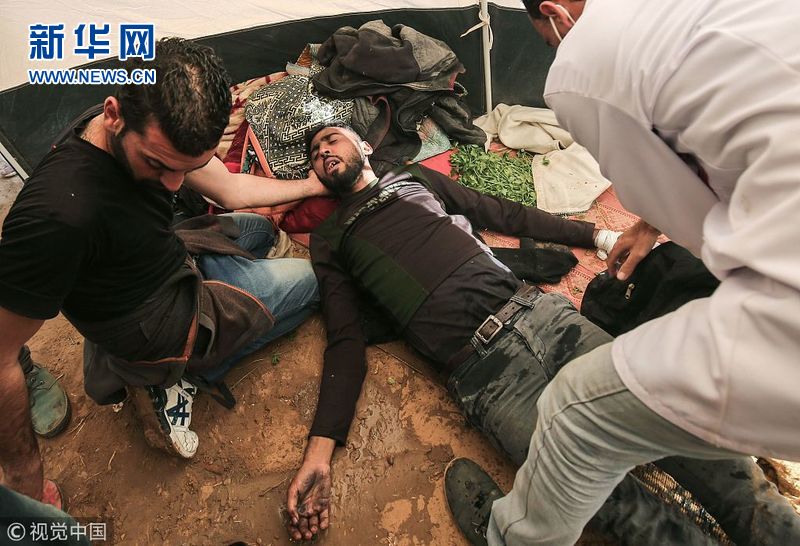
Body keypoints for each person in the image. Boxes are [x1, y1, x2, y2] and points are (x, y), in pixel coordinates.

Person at [280, 122, 788, 545]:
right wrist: (319, 455)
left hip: (543, 315)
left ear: (364, 146)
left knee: (675, 417)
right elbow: (344, 339)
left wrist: (596, 234)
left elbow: (499, 212)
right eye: (315, 153)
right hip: (484, 376)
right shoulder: (331, 238)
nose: (323, 151)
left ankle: (773, 527)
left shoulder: (412, 177)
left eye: (331, 138)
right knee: (596, 498)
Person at [447, 1, 800, 545]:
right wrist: (650, 223)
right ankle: (771, 526)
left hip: (785, 305)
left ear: (553, 13)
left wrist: (648, 215)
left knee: (574, 410)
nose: (555, 50)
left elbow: (686, 201)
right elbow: (707, 146)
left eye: (547, 40)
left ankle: (512, 538)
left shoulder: (578, 70)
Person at [0, 37, 322, 508]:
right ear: (113, 114)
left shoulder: (143, 122)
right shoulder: (57, 217)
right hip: (153, 321)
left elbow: (230, 189)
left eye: (189, 167)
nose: (174, 184)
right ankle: (170, 377)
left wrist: (312, 184)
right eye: (158, 165)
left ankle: (162, 355)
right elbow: (1, 357)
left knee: (256, 228)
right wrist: (25, 483)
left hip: (165, 259)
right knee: (313, 282)